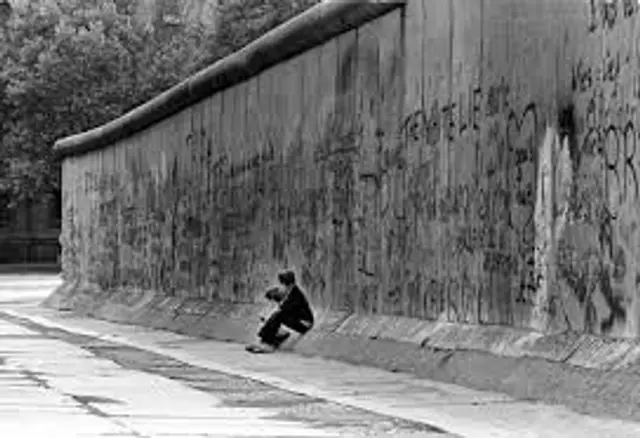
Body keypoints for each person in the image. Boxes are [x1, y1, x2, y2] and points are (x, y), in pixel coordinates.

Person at [248, 270, 314, 353]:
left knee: (278, 315)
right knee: (273, 316)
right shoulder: (287, 290)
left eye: (285, 284)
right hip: (294, 318)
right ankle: (264, 341)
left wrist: (277, 297)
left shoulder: (296, 296)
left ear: (292, 284)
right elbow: (270, 295)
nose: (283, 286)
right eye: (282, 283)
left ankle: (268, 344)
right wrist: (272, 294)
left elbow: (283, 309)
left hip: (304, 323)